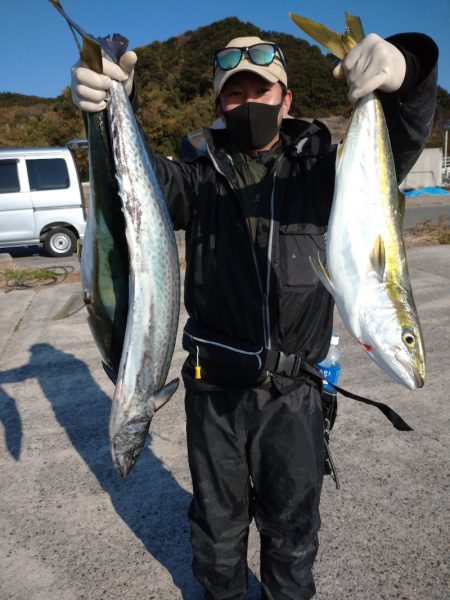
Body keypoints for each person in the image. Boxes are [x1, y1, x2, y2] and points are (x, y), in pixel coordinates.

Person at [71, 27, 438, 600]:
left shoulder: (325, 172)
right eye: (235, 95)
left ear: (286, 98)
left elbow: (404, 138)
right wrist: (111, 103)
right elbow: (130, 182)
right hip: (212, 391)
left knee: (293, 536)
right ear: (220, 105)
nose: (249, 103)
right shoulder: (195, 177)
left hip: (296, 396)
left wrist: (411, 69)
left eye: (261, 90)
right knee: (216, 535)